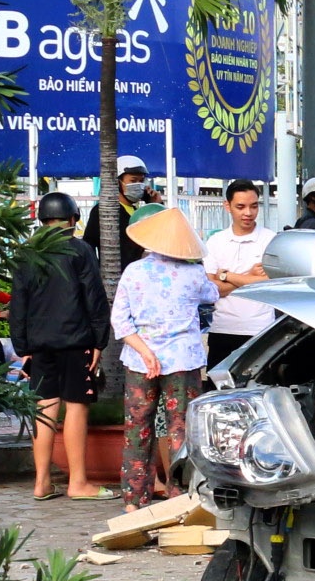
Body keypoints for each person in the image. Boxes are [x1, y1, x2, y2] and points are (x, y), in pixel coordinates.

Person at [109, 207, 214, 508]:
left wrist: (145, 352)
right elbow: (213, 296)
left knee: (137, 428)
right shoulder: (193, 274)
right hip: (183, 361)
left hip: (140, 362)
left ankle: (133, 500)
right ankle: (181, 498)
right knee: (180, 429)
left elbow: (121, 321)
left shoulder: (134, 272)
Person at [8, 189, 108, 500]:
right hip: (76, 340)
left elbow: (18, 303)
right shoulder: (80, 251)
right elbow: (94, 296)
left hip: (39, 345)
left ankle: (41, 482)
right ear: (74, 219)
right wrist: (99, 339)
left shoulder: (26, 253)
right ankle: (78, 482)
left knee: (44, 407)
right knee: (76, 406)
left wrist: (22, 347)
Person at [202, 179, 277, 367]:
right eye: (241, 207)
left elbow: (267, 284)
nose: (248, 213)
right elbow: (211, 290)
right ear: (227, 206)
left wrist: (227, 275)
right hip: (223, 328)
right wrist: (250, 276)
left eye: (253, 206)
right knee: (220, 391)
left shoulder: (270, 240)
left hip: (261, 329)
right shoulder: (215, 242)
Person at [83, 155, 153, 272]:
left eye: (141, 181)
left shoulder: (139, 212)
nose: (138, 185)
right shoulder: (103, 211)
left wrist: (155, 204)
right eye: (133, 180)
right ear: (117, 182)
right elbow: (89, 246)